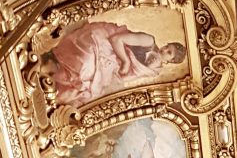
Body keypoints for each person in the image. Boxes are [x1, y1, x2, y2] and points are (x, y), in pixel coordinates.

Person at [47, 21, 186, 106]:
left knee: (90, 90)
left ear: (171, 61)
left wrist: (113, 75)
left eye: (169, 52)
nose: (164, 49)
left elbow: (125, 77)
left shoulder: (154, 71)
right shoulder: (149, 41)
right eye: (167, 46)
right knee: (87, 64)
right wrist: (126, 61)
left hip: (112, 66)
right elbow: (116, 40)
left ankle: (51, 83)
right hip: (107, 44)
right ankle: (51, 70)